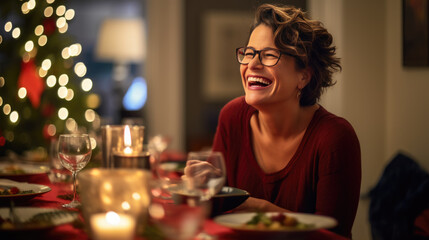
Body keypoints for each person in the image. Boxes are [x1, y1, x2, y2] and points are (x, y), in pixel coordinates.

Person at [211, 3, 361, 238]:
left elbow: (335, 237)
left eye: (269, 55)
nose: (251, 65)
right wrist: (200, 188)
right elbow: (217, 210)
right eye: (248, 53)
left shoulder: (334, 138)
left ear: (304, 76)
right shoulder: (232, 117)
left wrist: (262, 209)